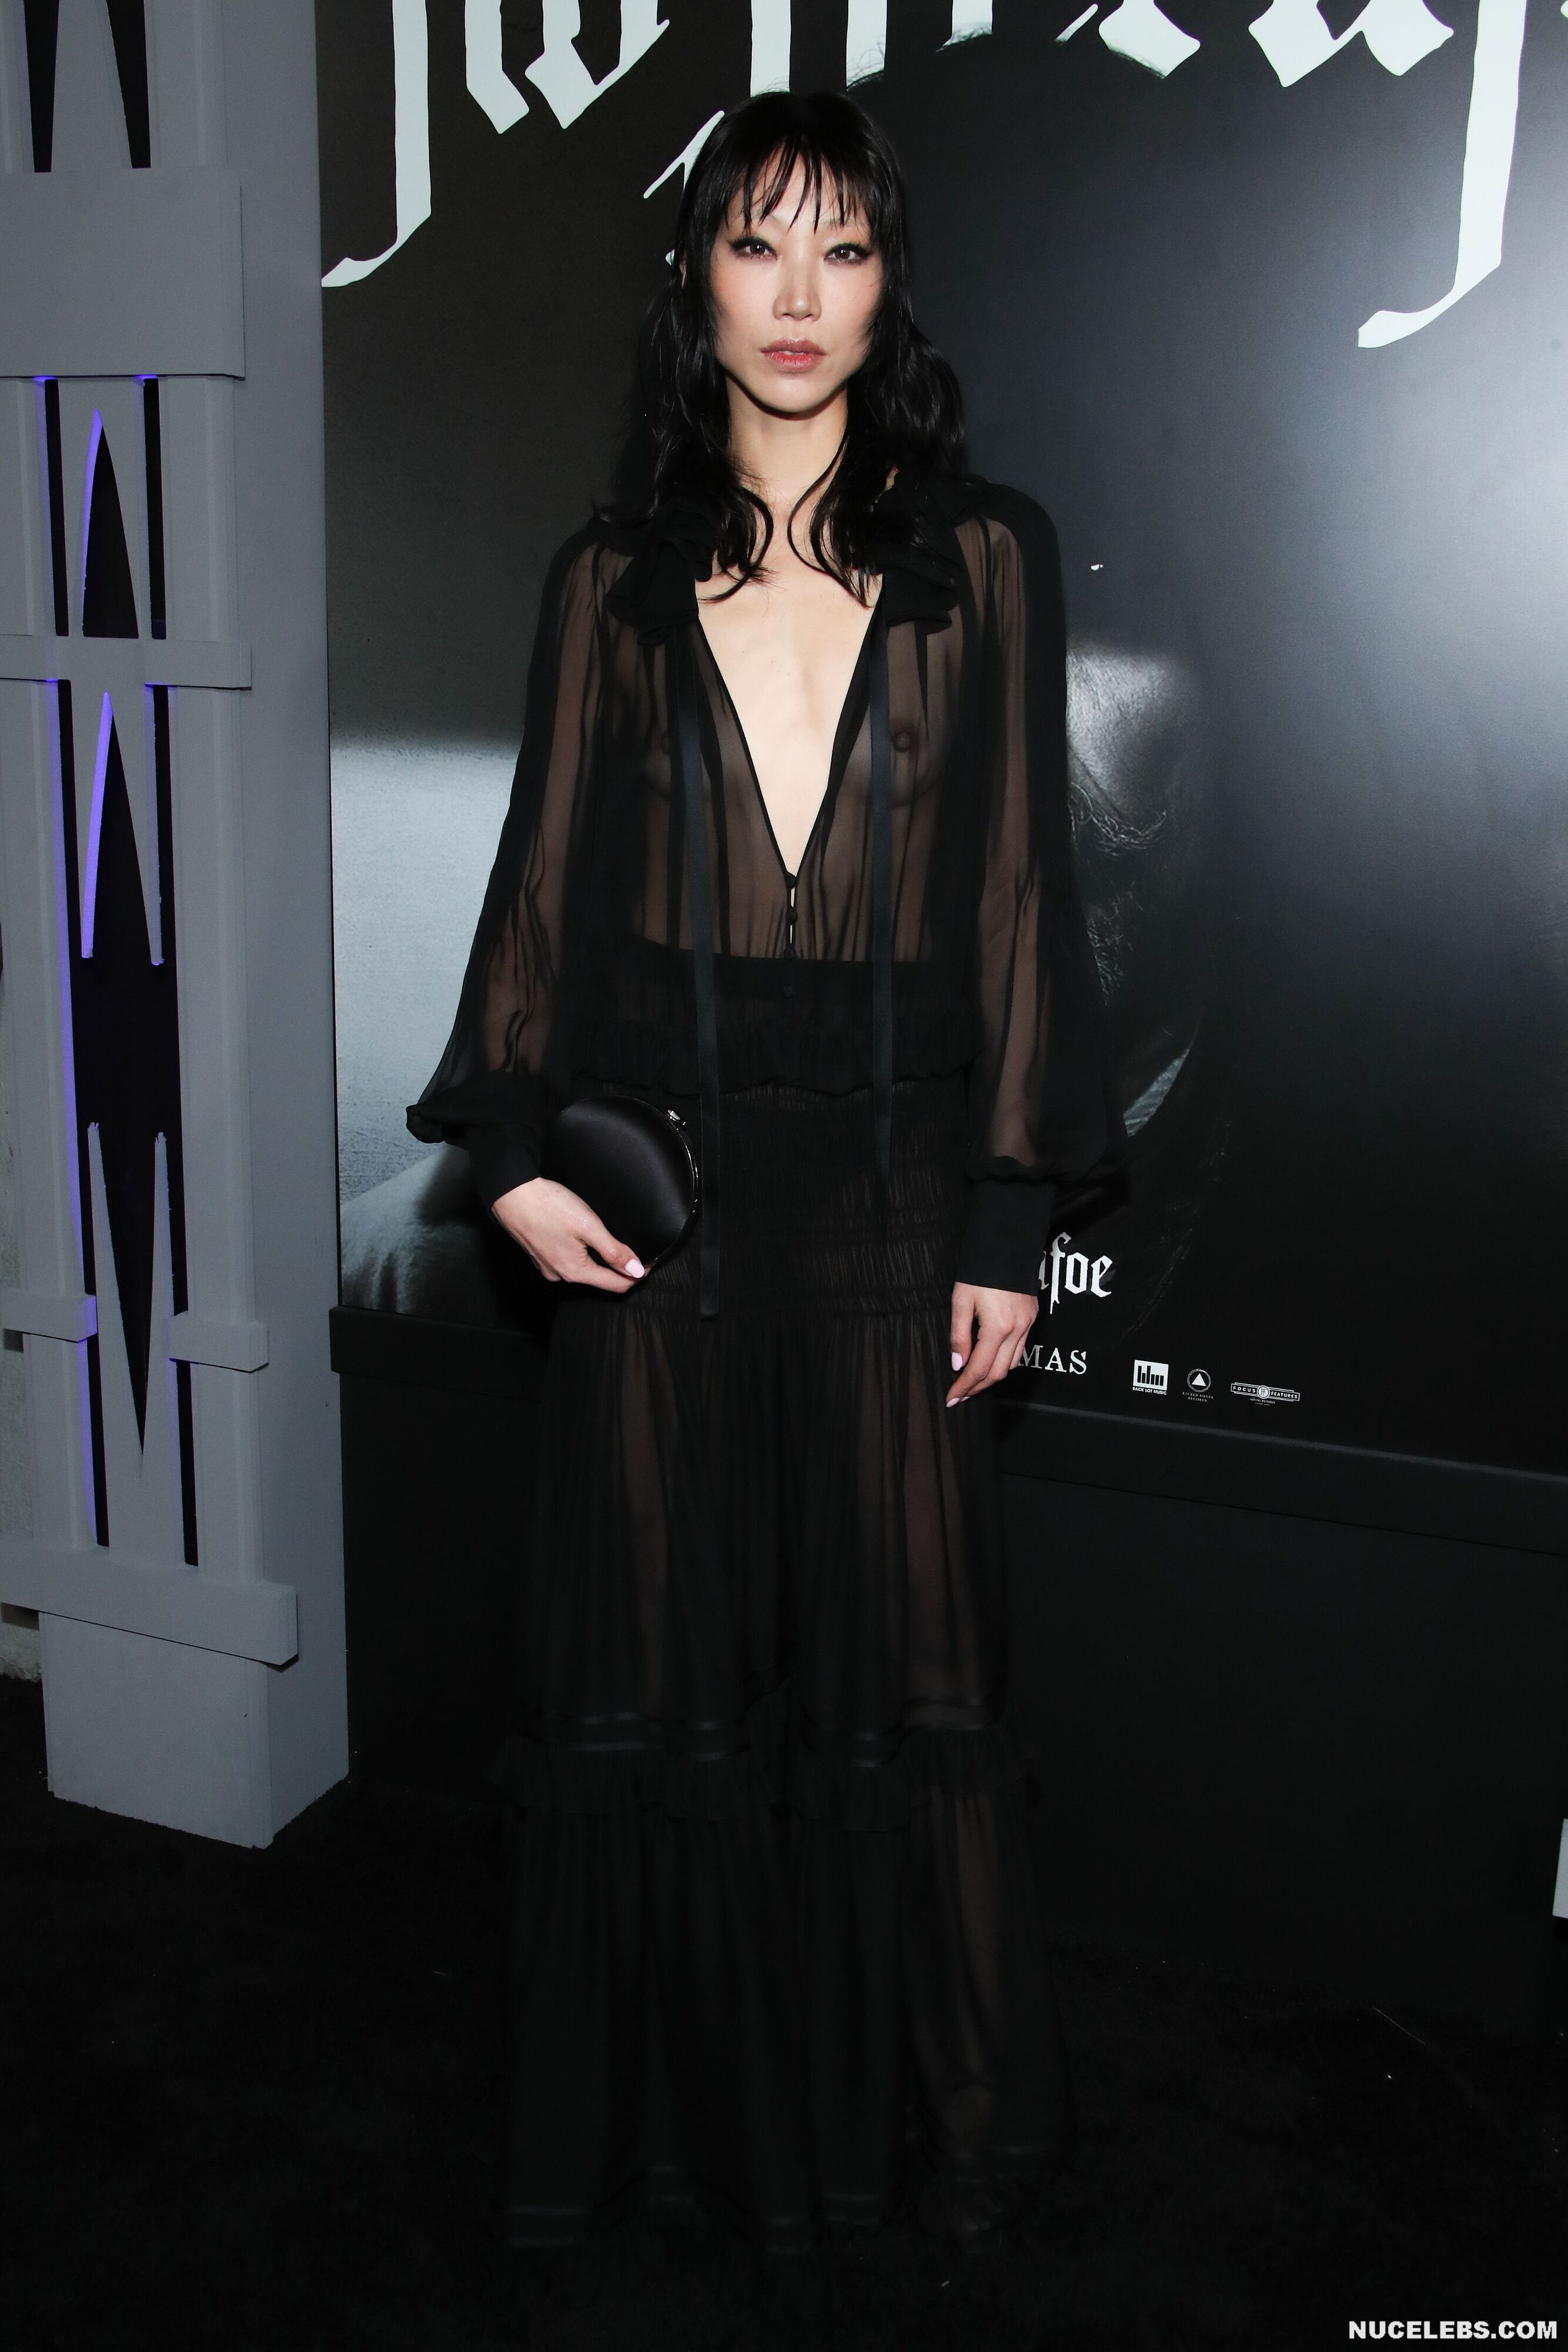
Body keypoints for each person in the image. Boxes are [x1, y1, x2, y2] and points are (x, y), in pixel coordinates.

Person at [407, 89, 1125, 2274]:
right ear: (694, 278)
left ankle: (911, 2150)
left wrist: (1010, 1217)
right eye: (755, 245)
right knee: (662, 1679)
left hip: (900, 1211)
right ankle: (667, 2143)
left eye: (842, 248)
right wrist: (507, 1153)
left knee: (903, 1692)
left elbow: (1022, 892)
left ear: (889, 284)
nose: (797, 297)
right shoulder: (607, 580)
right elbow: (542, 882)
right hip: (665, 1228)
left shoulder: (985, 554)